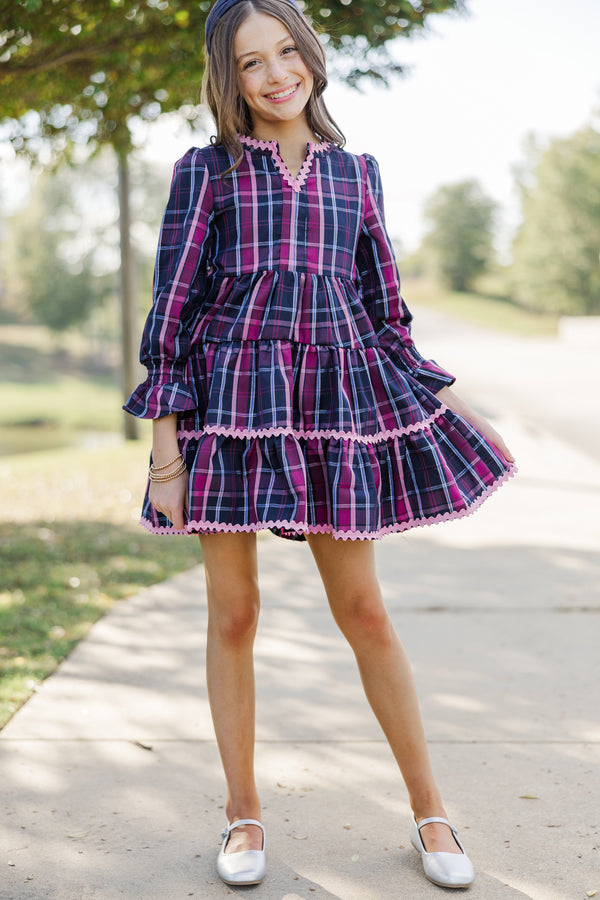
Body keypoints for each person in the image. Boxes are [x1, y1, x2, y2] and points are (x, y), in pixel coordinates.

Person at [124, 0, 516, 889]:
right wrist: (165, 451)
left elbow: (384, 317)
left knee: (366, 612)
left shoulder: (359, 174)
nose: (275, 74)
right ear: (230, 78)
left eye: (287, 52)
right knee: (234, 614)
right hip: (229, 413)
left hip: (335, 410)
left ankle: (431, 814)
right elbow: (172, 316)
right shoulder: (206, 172)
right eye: (251, 62)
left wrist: (455, 402)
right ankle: (242, 815)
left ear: (312, 57)